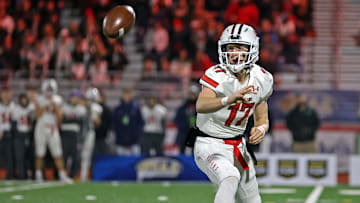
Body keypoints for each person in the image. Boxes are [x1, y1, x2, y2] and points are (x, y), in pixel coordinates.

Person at [190, 24, 273, 203]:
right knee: (230, 176)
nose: (233, 53)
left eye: (239, 48)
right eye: (230, 48)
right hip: (209, 142)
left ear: (252, 48)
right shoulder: (217, 74)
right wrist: (229, 99)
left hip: (238, 146)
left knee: (253, 200)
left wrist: (262, 128)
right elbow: (201, 105)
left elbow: (262, 117)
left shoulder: (262, 78)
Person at [32, 79, 73, 183]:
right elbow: (37, 115)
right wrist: (46, 105)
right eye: (48, 89)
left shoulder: (58, 99)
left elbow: (60, 117)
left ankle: (62, 174)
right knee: (40, 153)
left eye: (51, 89)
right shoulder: (39, 99)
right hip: (41, 127)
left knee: (57, 153)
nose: (49, 91)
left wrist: (54, 105)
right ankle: (38, 175)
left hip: (53, 128)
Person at [60, 90, 86, 178]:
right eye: (73, 97)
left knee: (75, 156)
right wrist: (73, 119)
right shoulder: (64, 107)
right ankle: (62, 174)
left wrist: (69, 119)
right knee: (64, 155)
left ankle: (73, 175)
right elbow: (62, 121)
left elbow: (80, 122)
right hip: (65, 134)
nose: (74, 99)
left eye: (76, 98)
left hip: (75, 135)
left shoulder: (81, 108)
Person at [112, 88, 144, 155]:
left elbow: (140, 122)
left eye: (128, 94)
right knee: (120, 160)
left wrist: (137, 134)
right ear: (122, 95)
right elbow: (114, 123)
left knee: (136, 160)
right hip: (120, 139)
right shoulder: (118, 109)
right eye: (125, 94)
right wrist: (118, 133)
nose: (126, 96)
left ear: (131, 95)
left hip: (134, 139)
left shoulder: (136, 108)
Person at [80, 87, 103, 182]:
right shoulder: (81, 105)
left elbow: (97, 123)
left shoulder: (97, 108)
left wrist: (92, 114)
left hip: (89, 131)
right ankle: (72, 174)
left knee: (86, 154)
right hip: (79, 131)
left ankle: (83, 175)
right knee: (77, 153)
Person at [12, 93, 35, 179]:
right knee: (20, 157)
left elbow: (35, 121)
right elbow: (14, 124)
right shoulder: (16, 109)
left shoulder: (32, 107)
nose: (24, 101)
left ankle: (33, 175)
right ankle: (21, 176)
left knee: (31, 156)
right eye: (22, 99)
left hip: (30, 134)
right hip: (20, 134)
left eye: (25, 99)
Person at [174, 84, 199, 154]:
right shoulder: (182, 107)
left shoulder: (200, 107)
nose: (192, 96)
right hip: (184, 132)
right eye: (191, 94)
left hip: (195, 132)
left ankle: (194, 164)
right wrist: (183, 126)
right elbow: (176, 120)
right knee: (181, 150)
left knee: (195, 151)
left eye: (194, 94)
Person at [0, 87, 15, 179]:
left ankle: (9, 175)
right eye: (3, 93)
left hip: (10, 133)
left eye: (7, 92)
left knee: (10, 156)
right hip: (1, 133)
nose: (5, 95)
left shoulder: (13, 106)